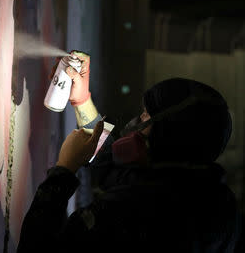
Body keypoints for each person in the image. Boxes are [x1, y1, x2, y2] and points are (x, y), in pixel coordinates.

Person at [17, 52, 241, 252]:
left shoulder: (130, 214)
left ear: (166, 136)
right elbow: (112, 169)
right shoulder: (196, 189)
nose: (138, 121)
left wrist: (63, 172)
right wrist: (82, 102)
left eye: (145, 116)